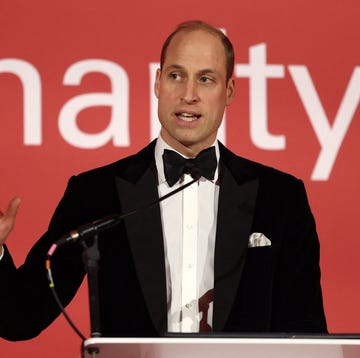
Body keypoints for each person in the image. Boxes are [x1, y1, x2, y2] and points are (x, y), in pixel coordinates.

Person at [0, 20, 327, 341]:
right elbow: (20, 318)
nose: (188, 94)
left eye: (205, 79)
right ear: (157, 83)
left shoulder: (281, 197)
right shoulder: (96, 193)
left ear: (228, 90)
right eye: (176, 76)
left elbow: (307, 337)